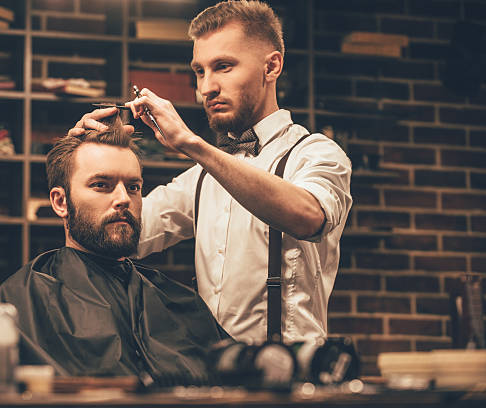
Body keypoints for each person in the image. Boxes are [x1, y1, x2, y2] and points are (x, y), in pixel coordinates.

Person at [70, 0, 352, 345]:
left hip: (292, 380)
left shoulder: (316, 152)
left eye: (223, 67)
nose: (206, 88)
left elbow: (308, 217)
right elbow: (120, 234)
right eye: (199, 71)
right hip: (214, 377)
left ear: (272, 66)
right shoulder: (200, 179)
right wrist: (81, 162)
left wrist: (192, 144)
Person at [0, 114, 229, 379]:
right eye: (101, 185)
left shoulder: (177, 300)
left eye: (133, 187)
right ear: (60, 202)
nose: (123, 199)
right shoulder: (26, 297)